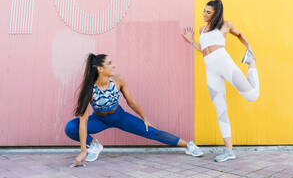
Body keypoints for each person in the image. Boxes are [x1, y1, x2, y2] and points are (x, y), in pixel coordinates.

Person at [65, 54, 203, 167]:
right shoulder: (89, 88)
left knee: (152, 132)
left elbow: (131, 102)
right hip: (99, 120)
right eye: (110, 63)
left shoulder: (118, 81)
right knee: (71, 127)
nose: (114, 66)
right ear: (100, 69)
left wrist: (145, 118)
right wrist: (83, 150)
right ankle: (94, 145)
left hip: (119, 117)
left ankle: (189, 145)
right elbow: (83, 121)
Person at [182, 0, 259, 162]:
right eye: (204, 11)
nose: (204, 14)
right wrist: (191, 41)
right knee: (221, 110)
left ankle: (252, 63)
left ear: (216, 14)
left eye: (208, 12)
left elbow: (239, 35)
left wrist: (249, 49)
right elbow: (203, 50)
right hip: (211, 71)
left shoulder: (225, 25)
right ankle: (229, 151)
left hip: (225, 65)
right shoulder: (202, 29)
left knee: (252, 96)